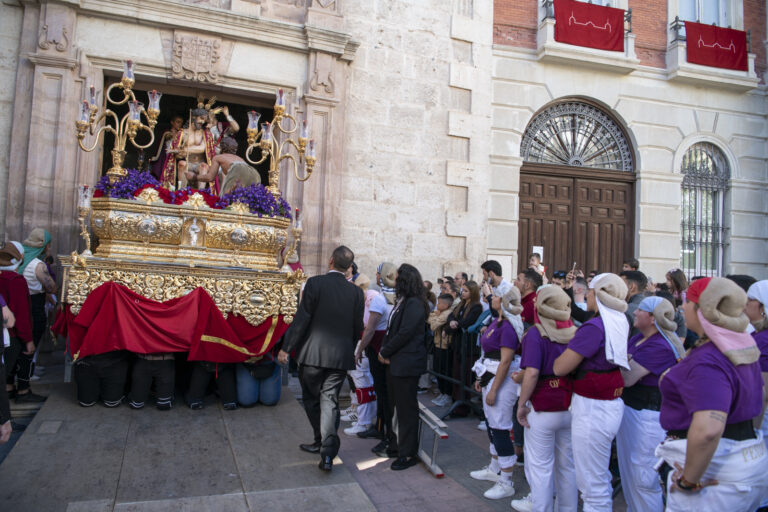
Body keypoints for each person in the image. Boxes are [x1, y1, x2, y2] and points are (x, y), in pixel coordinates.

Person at [655, 277, 768, 511]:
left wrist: (689, 479)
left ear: (702, 309)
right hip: (741, 456)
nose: (682, 307)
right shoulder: (741, 345)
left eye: (688, 301)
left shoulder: (709, 358)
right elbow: (759, 402)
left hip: (715, 471)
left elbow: (709, 429)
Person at [278, 246, 364, 471]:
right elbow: (357, 328)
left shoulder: (315, 283)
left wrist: (286, 347)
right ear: (348, 268)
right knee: (330, 402)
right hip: (339, 357)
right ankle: (326, 449)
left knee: (313, 400)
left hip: (313, 355)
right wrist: (350, 347)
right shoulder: (356, 292)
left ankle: (322, 444)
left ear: (331, 261)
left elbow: (302, 318)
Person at [553, 273, 629, 511]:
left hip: (593, 407)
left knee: (591, 483)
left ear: (599, 294)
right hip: (608, 403)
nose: (586, 294)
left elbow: (560, 367)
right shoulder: (619, 320)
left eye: (591, 291)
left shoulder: (595, 326)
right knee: (598, 475)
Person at [514, 285, 578, 512]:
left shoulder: (535, 333)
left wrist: (522, 404)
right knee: (567, 467)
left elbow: (531, 372)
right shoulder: (575, 331)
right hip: (569, 404)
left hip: (542, 406)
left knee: (540, 468)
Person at [616, 296, 684, 512]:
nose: (635, 312)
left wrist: (624, 362)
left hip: (647, 416)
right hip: (631, 410)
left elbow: (627, 377)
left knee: (643, 475)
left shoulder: (660, 346)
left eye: (641, 310)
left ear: (653, 318)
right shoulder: (638, 340)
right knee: (629, 470)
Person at [469, 288, 523, 499]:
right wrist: (482, 379)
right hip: (490, 375)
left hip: (501, 380)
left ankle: (507, 480)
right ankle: (494, 468)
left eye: (497, 296)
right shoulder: (497, 321)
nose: (493, 298)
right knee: (492, 424)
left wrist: (493, 388)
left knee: (500, 426)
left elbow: (506, 361)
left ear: (505, 301)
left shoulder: (508, 327)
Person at [378, 263, 429, 471]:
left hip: (407, 363)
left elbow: (405, 332)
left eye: (398, 279)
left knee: (407, 409)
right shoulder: (404, 301)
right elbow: (393, 329)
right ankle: (395, 444)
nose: (395, 281)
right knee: (395, 406)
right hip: (397, 362)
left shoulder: (415, 303)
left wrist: (385, 351)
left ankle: (408, 453)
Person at [355, 262, 396, 444]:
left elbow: (370, 329)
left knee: (382, 390)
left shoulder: (379, 299)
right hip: (390, 348)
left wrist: (359, 350)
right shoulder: (398, 297)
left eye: (378, 273)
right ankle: (384, 427)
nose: (376, 277)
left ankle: (383, 429)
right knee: (385, 390)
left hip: (378, 348)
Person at [1, 242, 43, 404]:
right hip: (12, 335)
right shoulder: (15, 280)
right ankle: (6, 418)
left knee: (5, 372)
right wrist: (28, 339)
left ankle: (10, 389)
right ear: (18, 257)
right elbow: (21, 314)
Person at [162, 103, 217, 189]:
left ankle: (200, 192)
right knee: (181, 164)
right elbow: (176, 152)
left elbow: (202, 148)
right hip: (188, 162)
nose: (202, 122)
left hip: (199, 163)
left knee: (204, 166)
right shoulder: (183, 133)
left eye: (204, 120)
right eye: (201, 119)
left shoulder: (205, 134)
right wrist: (179, 153)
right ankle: (182, 190)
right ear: (194, 118)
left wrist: (183, 150)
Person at [745, 281, 768, 440]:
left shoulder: (763, 340)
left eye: (750, 299)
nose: (745, 303)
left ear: (763, 307)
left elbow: (763, 391)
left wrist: (753, 431)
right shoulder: (756, 335)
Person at [428, 293, 457, 407]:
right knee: (437, 369)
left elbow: (433, 325)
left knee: (444, 370)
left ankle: (447, 394)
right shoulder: (439, 313)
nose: (437, 305)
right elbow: (429, 317)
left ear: (446, 305)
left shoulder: (447, 314)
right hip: (437, 344)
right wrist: (435, 317)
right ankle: (442, 392)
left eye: (439, 303)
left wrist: (434, 317)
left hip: (444, 345)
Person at [149, 114, 183, 179]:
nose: (180, 124)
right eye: (178, 122)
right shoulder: (167, 132)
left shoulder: (182, 134)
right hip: (167, 155)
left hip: (178, 156)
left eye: (181, 122)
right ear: (172, 122)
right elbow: (168, 136)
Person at [620, 270, 647, 338]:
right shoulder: (649, 305)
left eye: (620, 284)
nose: (617, 288)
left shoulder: (627, 310)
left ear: (631, 287)